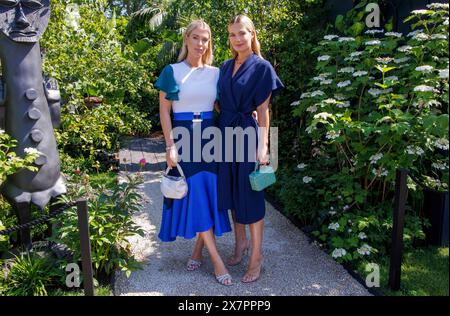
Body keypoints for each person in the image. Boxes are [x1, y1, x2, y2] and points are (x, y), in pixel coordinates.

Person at [155, 20, 233, 286]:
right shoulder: (172, 71)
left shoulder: (216, 73)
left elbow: (227, 104)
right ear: (186, 39)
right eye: (196, 38)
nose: (201, 44)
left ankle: (199, 250)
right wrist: (169, 146)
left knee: (207, 194)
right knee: (197, 193)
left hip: (211, 138)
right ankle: (217, 260)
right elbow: (165, 112)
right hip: (184, 138)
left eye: (206, 39)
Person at [216, 14, 284, 283]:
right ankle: (240, 243)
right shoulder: (224, 66)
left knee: (251, 196)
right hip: (224, 134)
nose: (237, 40)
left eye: (242, 33)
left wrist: (264, 145)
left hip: (247, 135)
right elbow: (219, 100)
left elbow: (263, 112)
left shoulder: (262, 67)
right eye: (232, 35)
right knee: (232, 192)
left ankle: (256, 256)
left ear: (252, 34)